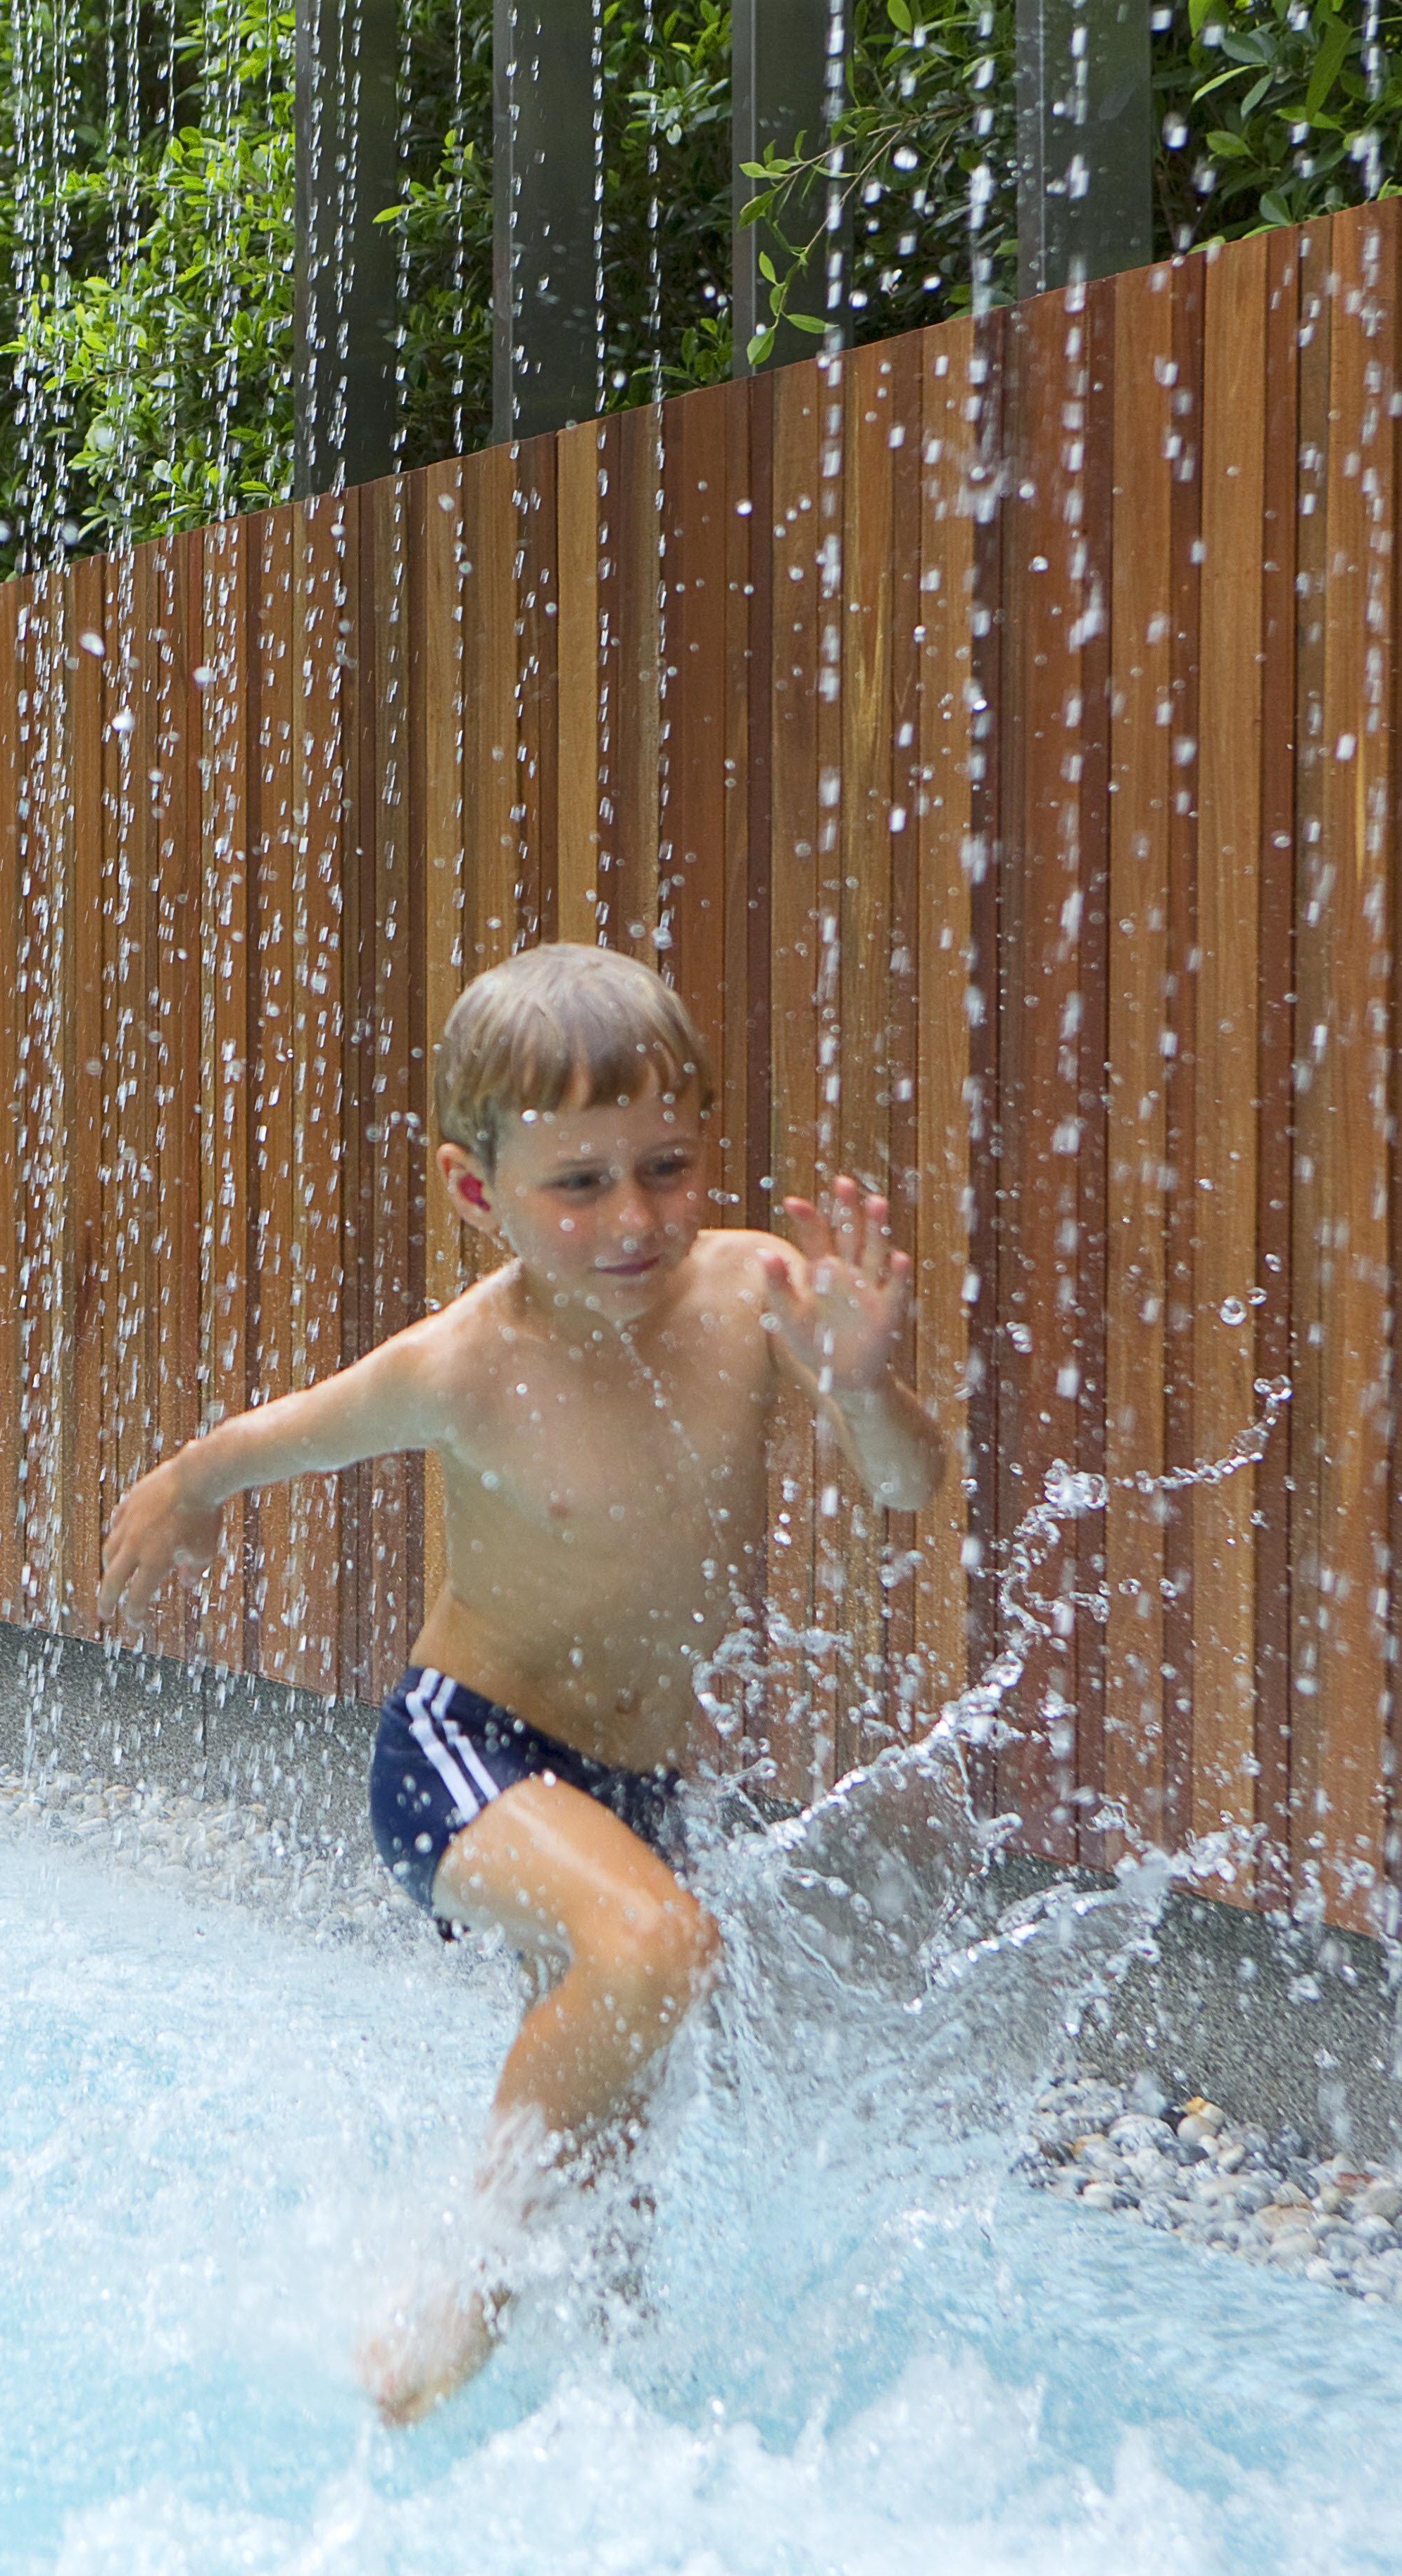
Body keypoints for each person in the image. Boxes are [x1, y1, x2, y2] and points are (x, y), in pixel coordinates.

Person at [100, 943, 949, 2421]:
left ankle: (589, 2407)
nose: (635, 1219)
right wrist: (179, 1491)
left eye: (667, 1167)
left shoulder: (759, 1295)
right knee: (657, 1951)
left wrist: (869, 1386)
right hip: (463, 1754)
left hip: (634, 1786)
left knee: (618, 2168)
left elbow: (905, 1488)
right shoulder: (464, 1364)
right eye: (580, 1185)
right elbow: (274, 1438)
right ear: (477, 1193)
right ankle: (459, 2294)